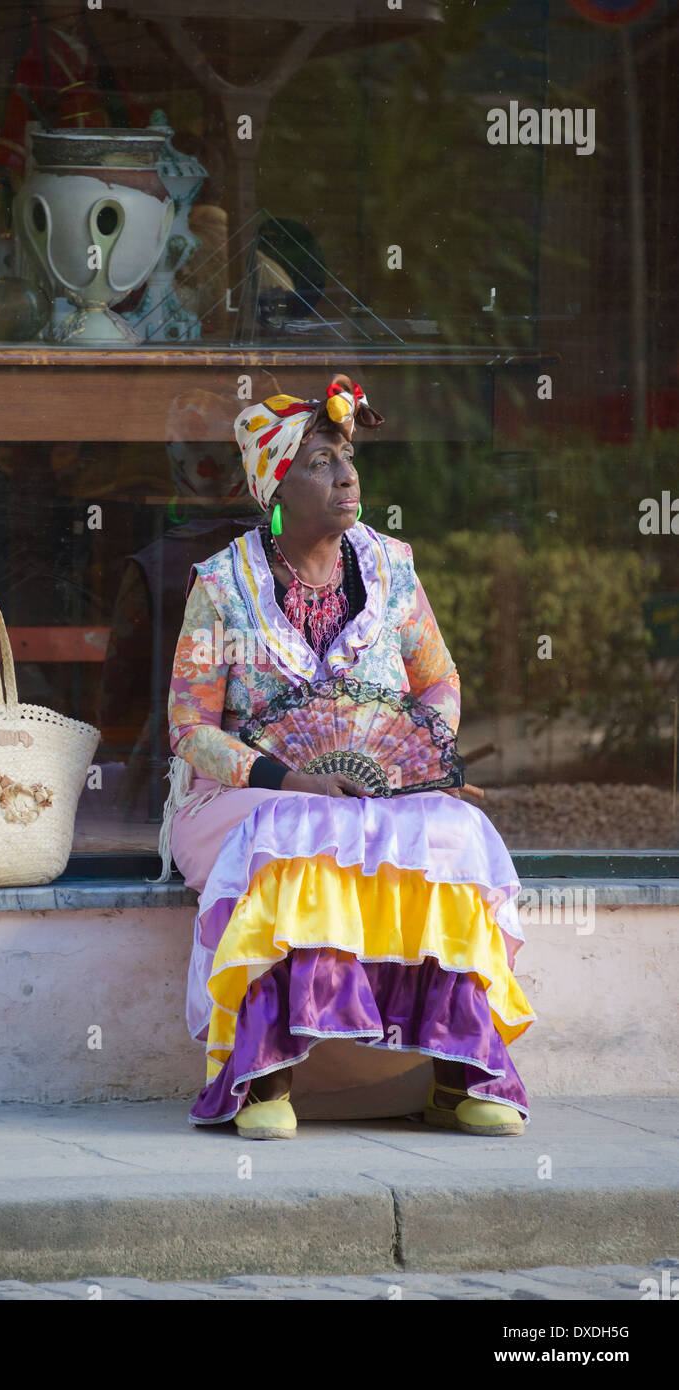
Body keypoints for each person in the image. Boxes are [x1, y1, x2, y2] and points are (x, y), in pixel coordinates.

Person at [155, 375, 535, 1140]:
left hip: (377, 795)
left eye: (347, 458)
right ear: (276, 484)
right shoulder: (223, 587)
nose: (347, 475)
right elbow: (189, 728)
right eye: (322, 461)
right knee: (298, 832)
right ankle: (263, 1078)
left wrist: (417, 766)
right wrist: (292, 778)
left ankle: (463, 1076)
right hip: (245, 798)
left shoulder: (392, 569)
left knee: (453, 838)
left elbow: (439, 682)